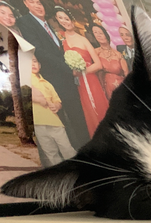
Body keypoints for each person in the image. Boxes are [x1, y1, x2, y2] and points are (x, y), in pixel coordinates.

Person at [17, 0, 90, 149]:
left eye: (39, 3)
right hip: (52, 79)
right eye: (32, 2)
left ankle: (86, 147)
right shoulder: (25, 22)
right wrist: (67, 68)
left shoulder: (48, 24)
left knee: (77, 115)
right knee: (64, 120)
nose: (38, 6)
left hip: (66, 79)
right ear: (25, 3)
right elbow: (38, 50)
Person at [54, 6, 108, 137]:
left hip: (89, 80)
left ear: (72, 21)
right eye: (60, 18)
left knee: (97, 108)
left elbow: (98, 64)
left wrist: (81, 71)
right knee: (84, 113)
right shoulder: (59, 40)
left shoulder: (83, 39)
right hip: (74, 85)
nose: (64, 21)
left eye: (66, 18)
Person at [30, 55, 77, 167]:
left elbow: (57, 101)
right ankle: (60, 173)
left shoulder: (47, 83)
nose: (32, 64)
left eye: (35, 61)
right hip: (38, 123)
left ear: (40, 65)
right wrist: (39, 99)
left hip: (55, 123)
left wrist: (56, 106)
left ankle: (76, 168)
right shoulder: (26, 81)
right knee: (51, 152)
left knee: (67, 148)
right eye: (29, 62)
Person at [92, 24, 126, 99]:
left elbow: (126, 73)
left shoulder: (118, 54)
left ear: (106, 34)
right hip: (105, 88)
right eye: (95, 33)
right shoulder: (95, 52)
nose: (98, 35)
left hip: (121, 87)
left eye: (101, 33)